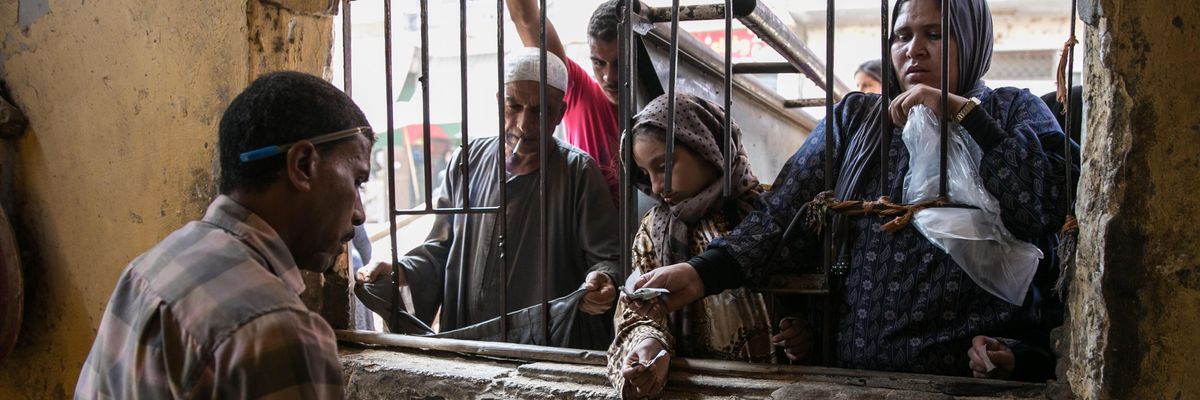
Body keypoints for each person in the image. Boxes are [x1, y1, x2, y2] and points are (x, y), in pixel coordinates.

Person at [628, 0, 1071, 381]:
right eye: (901, 36)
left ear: (973, 38)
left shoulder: (1012, 111)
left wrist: (961, 113)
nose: (913, 49)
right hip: (856, 378)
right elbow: (782, 217)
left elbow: (1046, 206)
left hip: (970, 382)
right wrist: (699, 273)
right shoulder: (857, 120)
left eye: (934, 34)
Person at [76, 71, 372, 399]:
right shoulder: (275, 328)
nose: (359, 214)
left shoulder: (153, 265)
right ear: (303, 165)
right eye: (357, 181)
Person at [354, 48, 621, 350]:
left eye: (540, 111)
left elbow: (606, 258)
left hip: (543, 349)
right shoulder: (466, 162)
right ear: (499, 103)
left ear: (560, 113)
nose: (524, 124)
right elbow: (441, 248)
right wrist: (397, 270)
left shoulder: (578, 173)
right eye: (514, 106)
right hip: (465, 339)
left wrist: (603, 280)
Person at [607, 94, 774, 398]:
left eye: (664, 165)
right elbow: (639, 315)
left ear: (706, 146)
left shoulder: (764, 212)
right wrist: (649, 347)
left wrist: (803, 333)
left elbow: (806, 295)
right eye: (646, 174)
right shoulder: (653, 230)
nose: (657, 187)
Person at [507, 0, 623, 204]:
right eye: (599, 63)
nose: (608, 77)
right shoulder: (581, 91)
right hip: (582, 234)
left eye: (620, 62)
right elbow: (526, 19)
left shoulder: (662, 105)